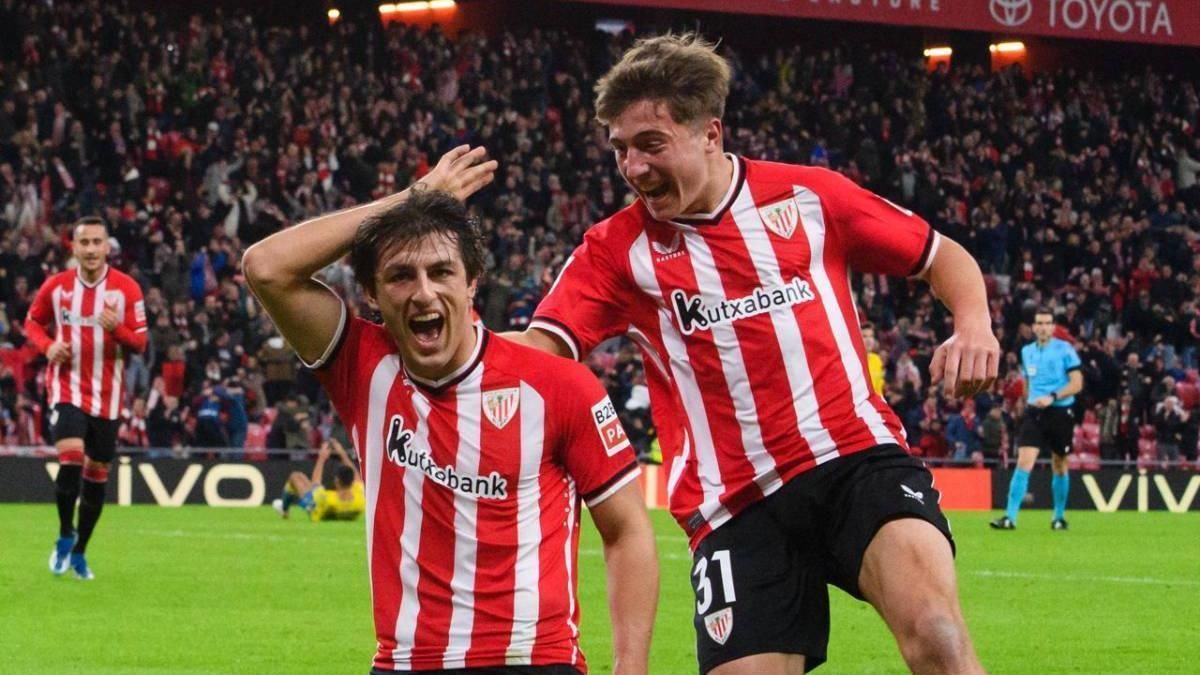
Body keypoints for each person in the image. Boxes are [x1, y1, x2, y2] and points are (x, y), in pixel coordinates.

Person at [505, 34, 995, 674]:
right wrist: (435, 339)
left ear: (711, 133)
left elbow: (939, 256)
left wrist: (974, 323)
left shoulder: (809, 198)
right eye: (620, 150)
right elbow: (539, 353)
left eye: (652, 145)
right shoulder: (615, 251)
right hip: (735, 507)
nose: (634, 168)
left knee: (935, 632)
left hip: (851, 459)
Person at [242, 147, 658, 675]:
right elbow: (267, 267)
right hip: (406, 663)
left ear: (471, 282)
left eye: (442, 271)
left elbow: (627, 531)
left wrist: (631, 668)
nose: (423, 292)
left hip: (531, 660)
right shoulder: (362, 367)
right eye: (400, 276)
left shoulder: (559, 385)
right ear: (370, 293)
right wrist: (415, 199)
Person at [24, 216, 148, 580]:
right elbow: (32, 323)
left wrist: (117, 329)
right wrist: (48, 347)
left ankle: (79, 551)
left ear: (107, 247)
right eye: (85, 243)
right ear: (74, 248)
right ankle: (65, 533)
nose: (92, 249)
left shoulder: (127, 289)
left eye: (98, 242)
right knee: (72, 458)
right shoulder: (57, 287)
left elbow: (140, 342)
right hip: (68, 389)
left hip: (108, 398)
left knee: (96, 479)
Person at [991, 310, 1083, 531]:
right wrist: (1025, 402)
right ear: (1034, 327)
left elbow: (1077, 384)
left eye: (1047, 323)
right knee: (1024, 461)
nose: (1043, 327)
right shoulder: (1027, 351)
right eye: (1039, 323)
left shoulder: (1065, 350)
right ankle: (1009, 517)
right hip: (1035, 412)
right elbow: (1028, 382)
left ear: (1053, 328)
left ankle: (1058, 517)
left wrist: (1052, 397)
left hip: (1060, 412)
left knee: (1059, 464)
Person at [272, 437, 365, 521]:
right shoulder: (360, 498)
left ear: (337, 481)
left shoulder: (326, 498)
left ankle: (284, 510)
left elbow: (315, 485)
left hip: (314, 508)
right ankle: (283, 508)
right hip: (346, 508)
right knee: (301, 477)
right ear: (352, 481)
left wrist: (321, 458)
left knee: (295, 477)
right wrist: (342, 453)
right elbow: (356, 476)